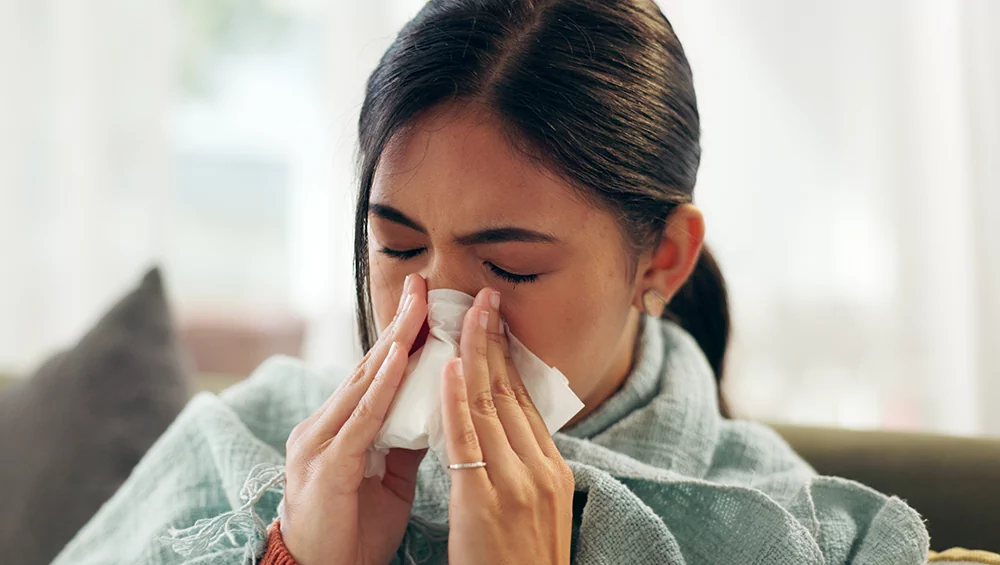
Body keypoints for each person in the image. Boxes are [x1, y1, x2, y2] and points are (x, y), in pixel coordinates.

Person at [51, 1, 929, 564]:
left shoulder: (804, 537)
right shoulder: (250, 442)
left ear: (662, 259)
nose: (431, 315)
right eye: (396, 247)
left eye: (511, 265)